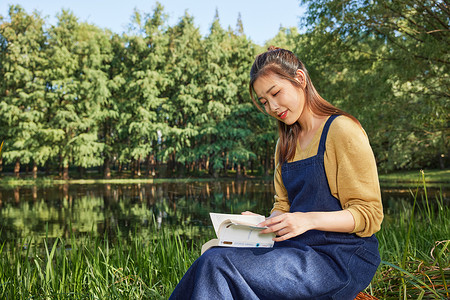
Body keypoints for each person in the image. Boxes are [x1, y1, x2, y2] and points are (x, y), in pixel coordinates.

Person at [169, 47, 383, 300]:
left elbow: (370, 215)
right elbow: (283, 206)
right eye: (264, 102)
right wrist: (264, 224)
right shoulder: (285, 144)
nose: (272, 107)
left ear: (300, 80)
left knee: (219, 265)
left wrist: (306, 220)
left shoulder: (341, 130)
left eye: (276, 93)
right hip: (295, 249)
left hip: (338, 258)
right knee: (211, 257)